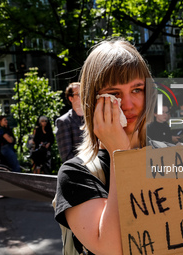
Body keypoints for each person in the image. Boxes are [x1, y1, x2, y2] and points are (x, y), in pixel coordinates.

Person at [54, 38, 156, 254]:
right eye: (114, 94)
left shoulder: (167, 155)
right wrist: (120, 155)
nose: (129, 105)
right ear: (92, 100)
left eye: (137, 89)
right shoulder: (75, 174)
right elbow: (112, 249)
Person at [55, 82, 84, 162]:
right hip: (79, 170)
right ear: (71, 98)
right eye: (80, 94)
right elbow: (66, 157)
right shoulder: (64, 122)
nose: (84, 96)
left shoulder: (92, 118)